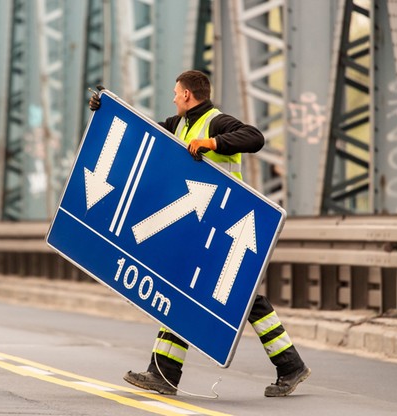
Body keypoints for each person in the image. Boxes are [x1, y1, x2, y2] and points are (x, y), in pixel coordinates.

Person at [89, 70, 310, 397]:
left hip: (225, 223)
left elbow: (254, 137)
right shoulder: (178, 124)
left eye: (176, 92)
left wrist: (212, 143)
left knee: (231, 297)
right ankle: (286, 366)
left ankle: (167, 374)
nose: (174, 98)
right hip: (199, 225)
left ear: (189, 95)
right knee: (206, 294)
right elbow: (139, 132)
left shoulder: (216, 122)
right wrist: (104, 108)